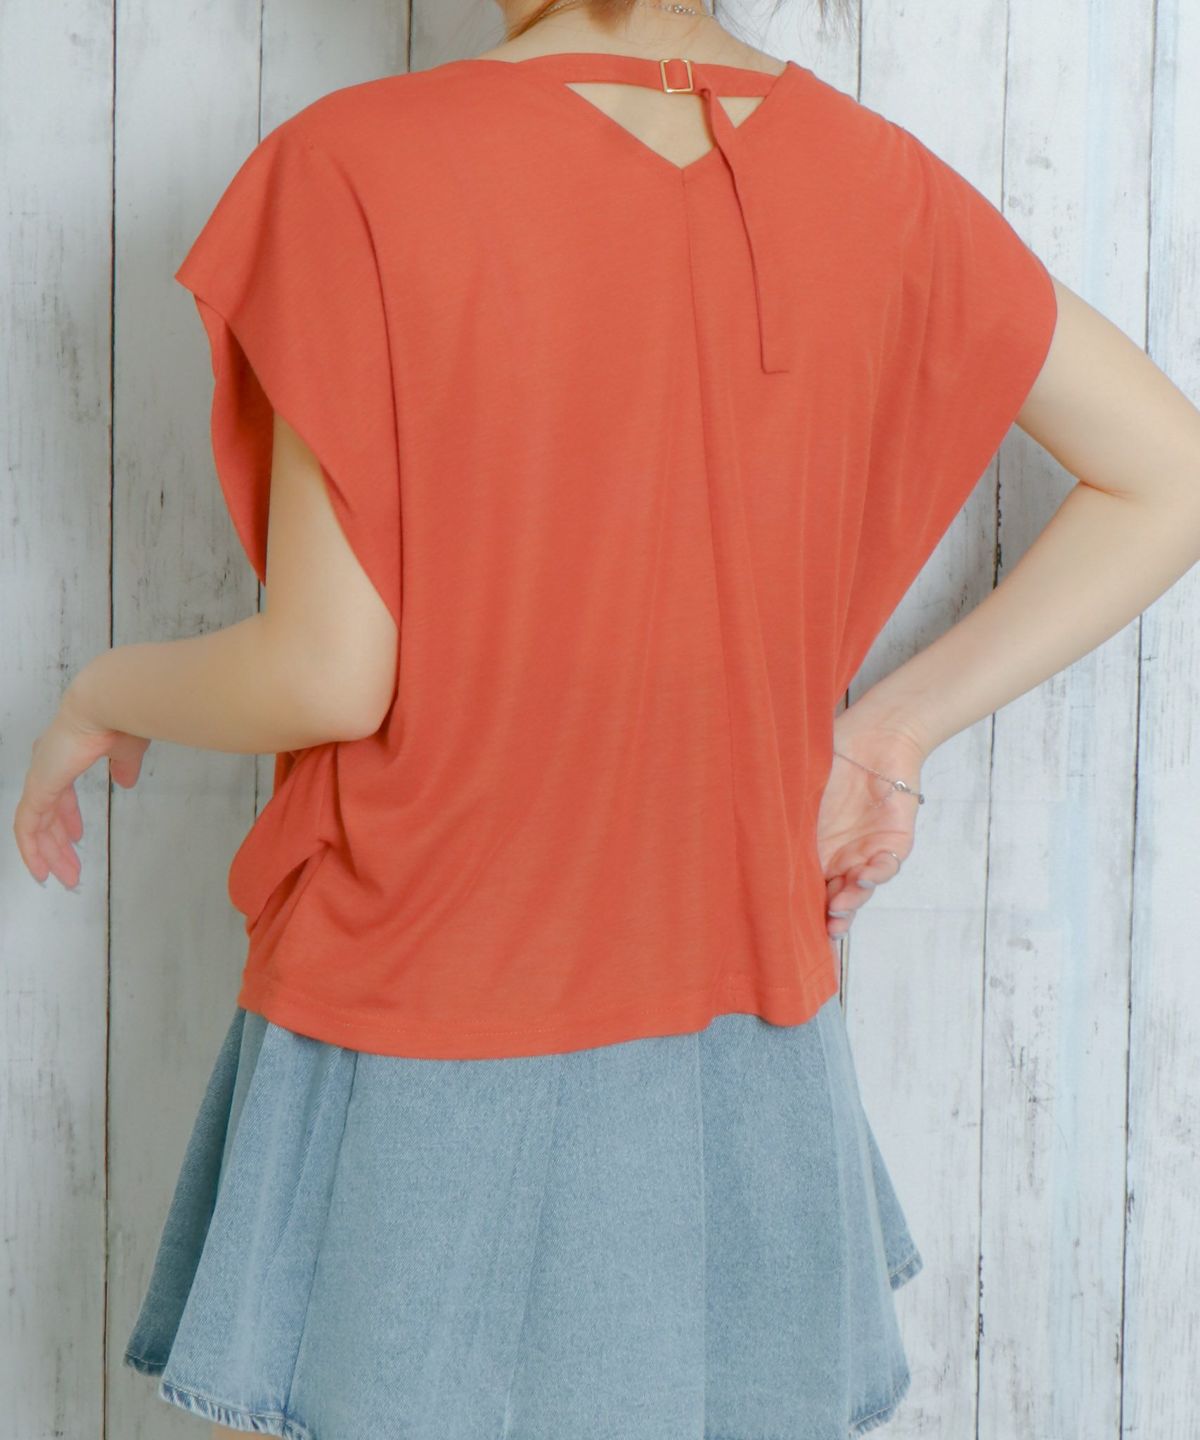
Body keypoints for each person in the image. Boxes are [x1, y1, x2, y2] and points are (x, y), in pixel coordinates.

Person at [13, 0, 1200, 1436]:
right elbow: (1168, 472)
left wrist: (96, 691)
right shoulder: (876, 178)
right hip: (735, 1034)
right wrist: (890, 732)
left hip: (419, 1020)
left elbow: (328, 674)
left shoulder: (356, 167)